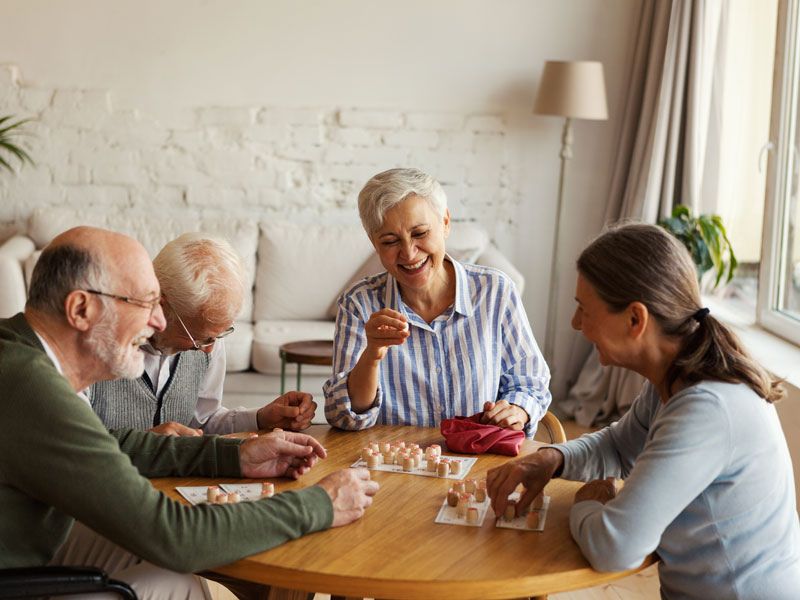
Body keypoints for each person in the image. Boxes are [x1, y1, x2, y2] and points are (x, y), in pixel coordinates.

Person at [0, 226, 379, 598]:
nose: (158, 322)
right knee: (176, 579)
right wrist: (319, 503)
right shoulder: (30, 386)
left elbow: (106, 443)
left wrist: (232, 455)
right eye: (145, 303)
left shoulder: (21, 356)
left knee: (170, 569)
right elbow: (174, 535)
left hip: (28, 540)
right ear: (81, 308)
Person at [486, 223, 800, 599]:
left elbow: (615, 548)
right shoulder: (675, 378)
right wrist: (551, 459)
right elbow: (619, 447)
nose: (575, 323)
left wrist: (587, 502)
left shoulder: (707, 409)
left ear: (636, 319)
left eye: (584, 310)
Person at [324, 167, 551, 436]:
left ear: (445, 222)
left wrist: (517, 409)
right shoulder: (358, 303)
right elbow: (343, 415)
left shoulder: (495, 291)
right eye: (390, 240)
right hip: (394, 468)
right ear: (374, 243)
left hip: (478, 461)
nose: (409, 253)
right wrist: (372, 354)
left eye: (419, 233)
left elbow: (530, 382)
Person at [89, 232, 316, 436]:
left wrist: (261, 418)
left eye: (218, 336)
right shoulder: (96, 343)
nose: (208, 349)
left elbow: (203, 421)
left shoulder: (210, 337)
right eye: (200, 337)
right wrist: (148, 443)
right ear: (161, 304)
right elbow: (70, 446)